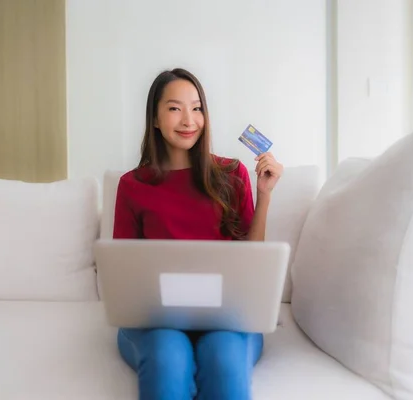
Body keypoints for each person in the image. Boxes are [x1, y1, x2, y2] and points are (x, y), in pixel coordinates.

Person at [112, 68, 284, 400]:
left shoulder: (232, 173)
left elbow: (251, 258)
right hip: (155, 321)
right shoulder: (131, 186)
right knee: (167, 358)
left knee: (223, 359)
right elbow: (123, 274)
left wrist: (264, 195)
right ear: (155, 120)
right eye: (175, 108)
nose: (189, 119)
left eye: (197, 107)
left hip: (226, 315)